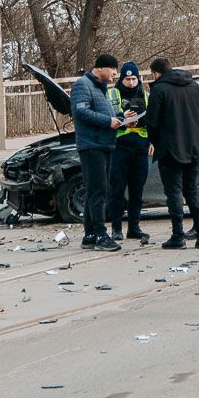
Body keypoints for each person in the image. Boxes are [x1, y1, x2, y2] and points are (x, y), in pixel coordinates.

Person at [142, 57, 199, 249]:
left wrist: (154, 139)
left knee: (174, 191)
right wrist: (198, 122)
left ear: (156, 73)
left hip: (170, 148)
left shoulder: (159, 89)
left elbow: (151, 120)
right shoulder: (193, 85)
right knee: (193, 190)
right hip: (194, 145)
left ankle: (178, 236)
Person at [69, 54, 123, 252]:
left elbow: (103, 113)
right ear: (100, 68)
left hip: (104, 144)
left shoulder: (102, 89)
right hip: (92, 145)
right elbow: (81, 112)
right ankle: (100, 234)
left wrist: (121, 118)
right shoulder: (83, 85)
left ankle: (90, 235)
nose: (115, 74)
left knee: (97, 190)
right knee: (98, 192)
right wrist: (108, 122)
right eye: (113, 70)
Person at [105, 61, 150, 243]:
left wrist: (152, 141)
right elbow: (106, 118)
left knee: (137, 190)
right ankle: (116, 228)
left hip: (140, 148)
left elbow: (152, 121)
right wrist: (123, 119)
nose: (131, 83)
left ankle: (134, 227)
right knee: (117, 189)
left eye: (133, 79)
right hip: (119, 147)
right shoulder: (111, 94)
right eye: (127, 79)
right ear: (121, 79)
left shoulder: (146, 96)